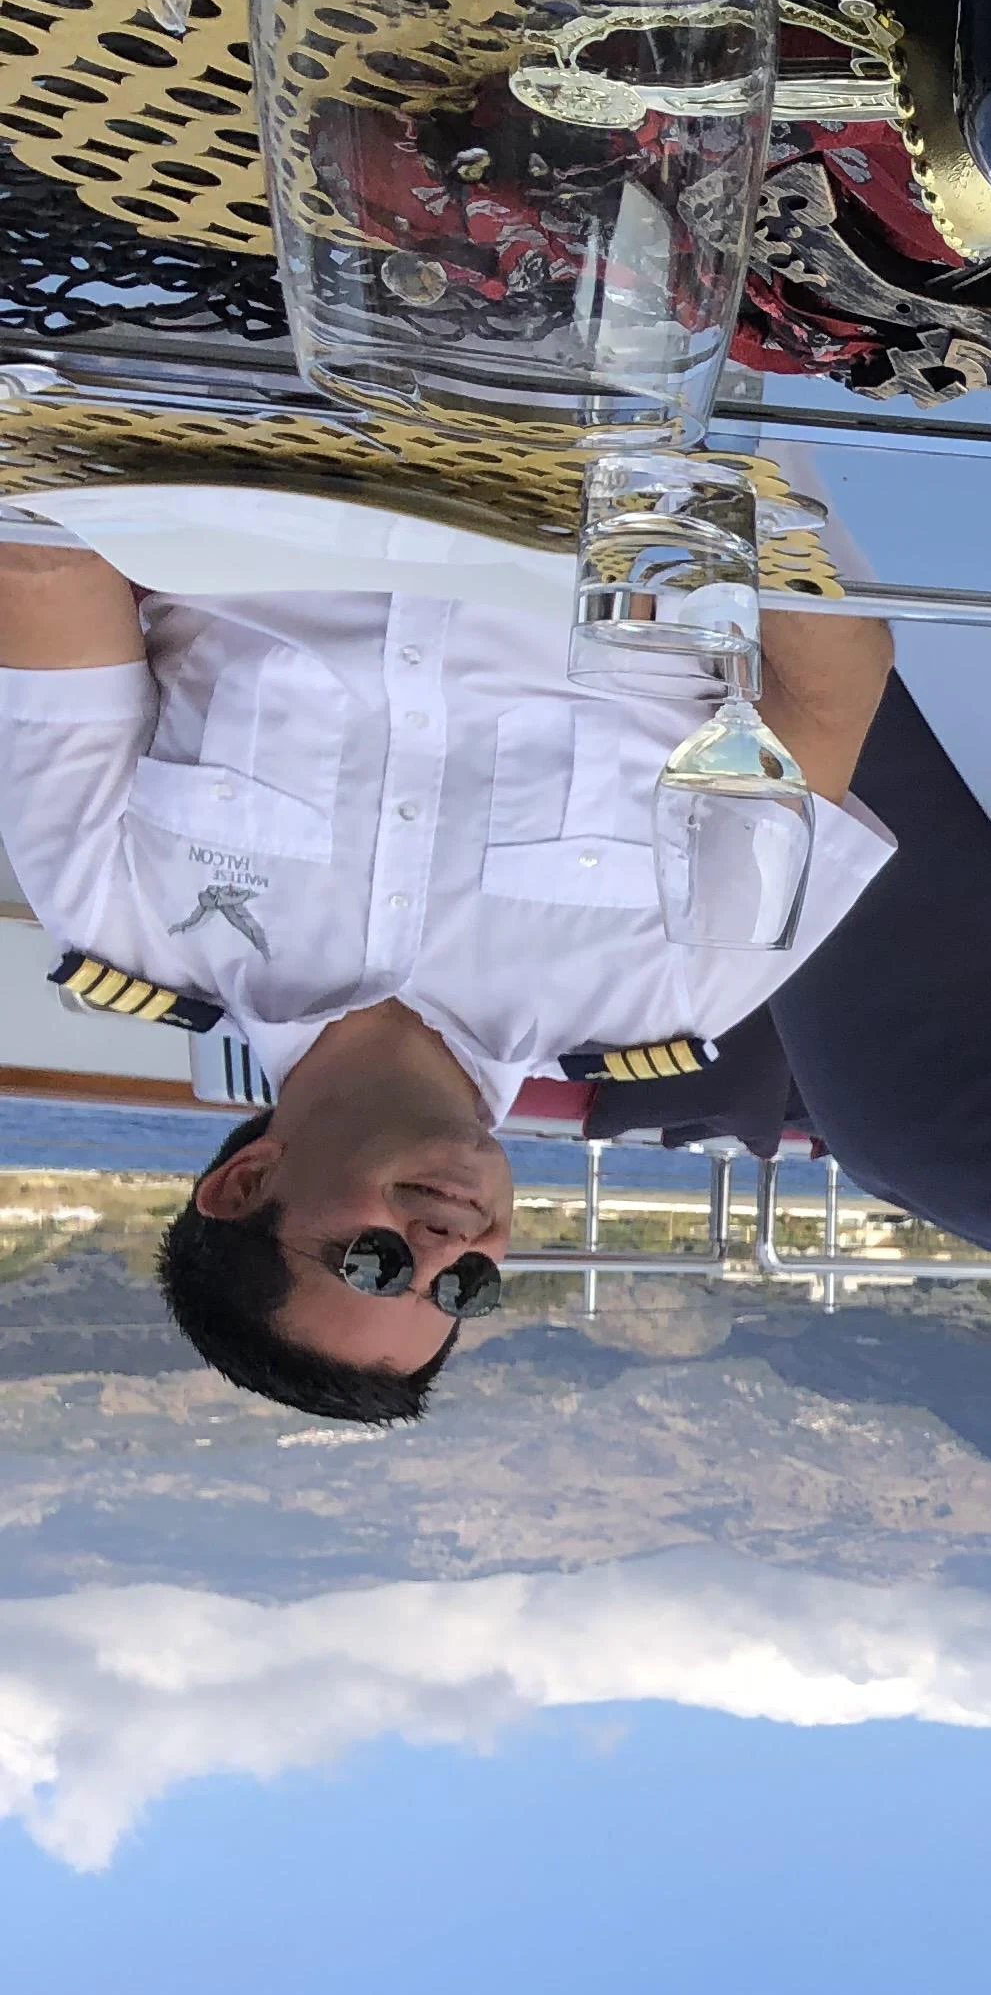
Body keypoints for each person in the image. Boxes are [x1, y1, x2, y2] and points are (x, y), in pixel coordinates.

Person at [0, 540, 898, 1421]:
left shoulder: (117, 913)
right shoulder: (672, 992)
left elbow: (44, 562)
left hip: (297, 432)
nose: (445, 1248)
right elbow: (823, 702)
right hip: (639, 463)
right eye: (464, 1288)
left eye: (373, 1264)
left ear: (245, 1183)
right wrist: (739, 504)